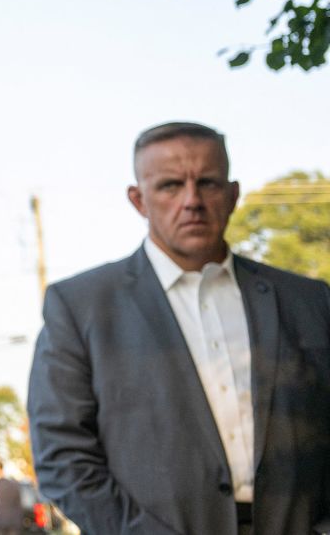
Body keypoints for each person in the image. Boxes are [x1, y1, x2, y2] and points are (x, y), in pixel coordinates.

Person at [28, 121, 330, 535]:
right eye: (170, 186)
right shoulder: (80, 307)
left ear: (233, 194)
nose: (192, 201)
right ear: (139, 200)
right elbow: (62, 458)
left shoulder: (309, 301)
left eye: (207, 183)